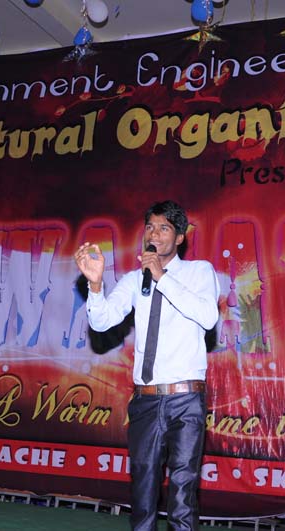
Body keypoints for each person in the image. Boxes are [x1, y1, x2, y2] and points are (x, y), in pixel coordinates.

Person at [74, 200, 220, 531]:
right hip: (146, 400)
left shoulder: (199, 272)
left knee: (182, 491)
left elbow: (208, 316)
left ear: (179, 237)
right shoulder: (133, 280)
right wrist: (95, 286)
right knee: (142, 493)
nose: (154, 234)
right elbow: (102, 322)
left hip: (185, 399)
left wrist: (161, 277)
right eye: (150, 227)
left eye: (164, 228)